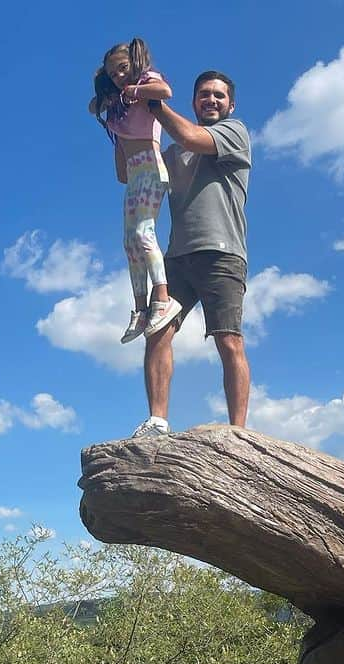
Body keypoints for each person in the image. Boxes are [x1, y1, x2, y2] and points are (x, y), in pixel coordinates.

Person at [131, 71, 252, 438]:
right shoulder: (171, 153)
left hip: (222, 252)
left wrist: (153, 103)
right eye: (203, 95)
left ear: (230, 104)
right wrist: (120, 120)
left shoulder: (235, 133)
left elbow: (189, 135)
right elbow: (130, 172)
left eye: (218, 96)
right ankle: (157, 421)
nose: (211, 100)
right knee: (158, 331)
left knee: (228, 339)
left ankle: (238, 433)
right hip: (177, 257)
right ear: (194, 101)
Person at [89, 37, 182, 344]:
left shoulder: (144, 82)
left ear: (135, 63)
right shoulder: (118, 105)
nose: (118, 76)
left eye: (122, 68)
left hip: (152, 167)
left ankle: (163, 298)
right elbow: (93, 108)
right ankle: (140, 308)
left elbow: (165, 91)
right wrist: (105, 89)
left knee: (144, 233)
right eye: (113, 73)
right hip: (134, 175)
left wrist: (134, 89)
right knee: (130, 242)